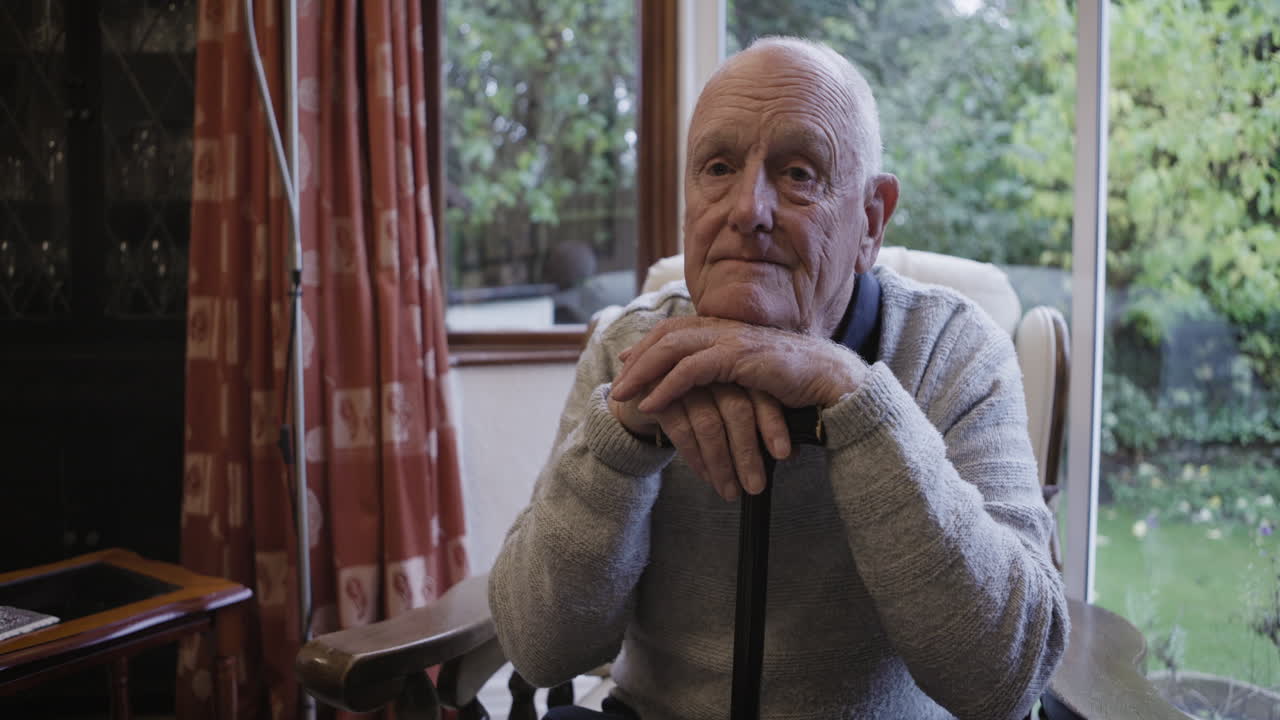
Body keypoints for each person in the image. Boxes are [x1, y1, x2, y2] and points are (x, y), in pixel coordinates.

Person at [489, 37, 1068, 720]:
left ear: (871, 220)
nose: (747, 209)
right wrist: (619, 442)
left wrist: (854, 401)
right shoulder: (625, 346)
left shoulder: (954, 348)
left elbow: (1006, 675)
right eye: (718, 167)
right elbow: (540, 648)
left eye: (798, 173)